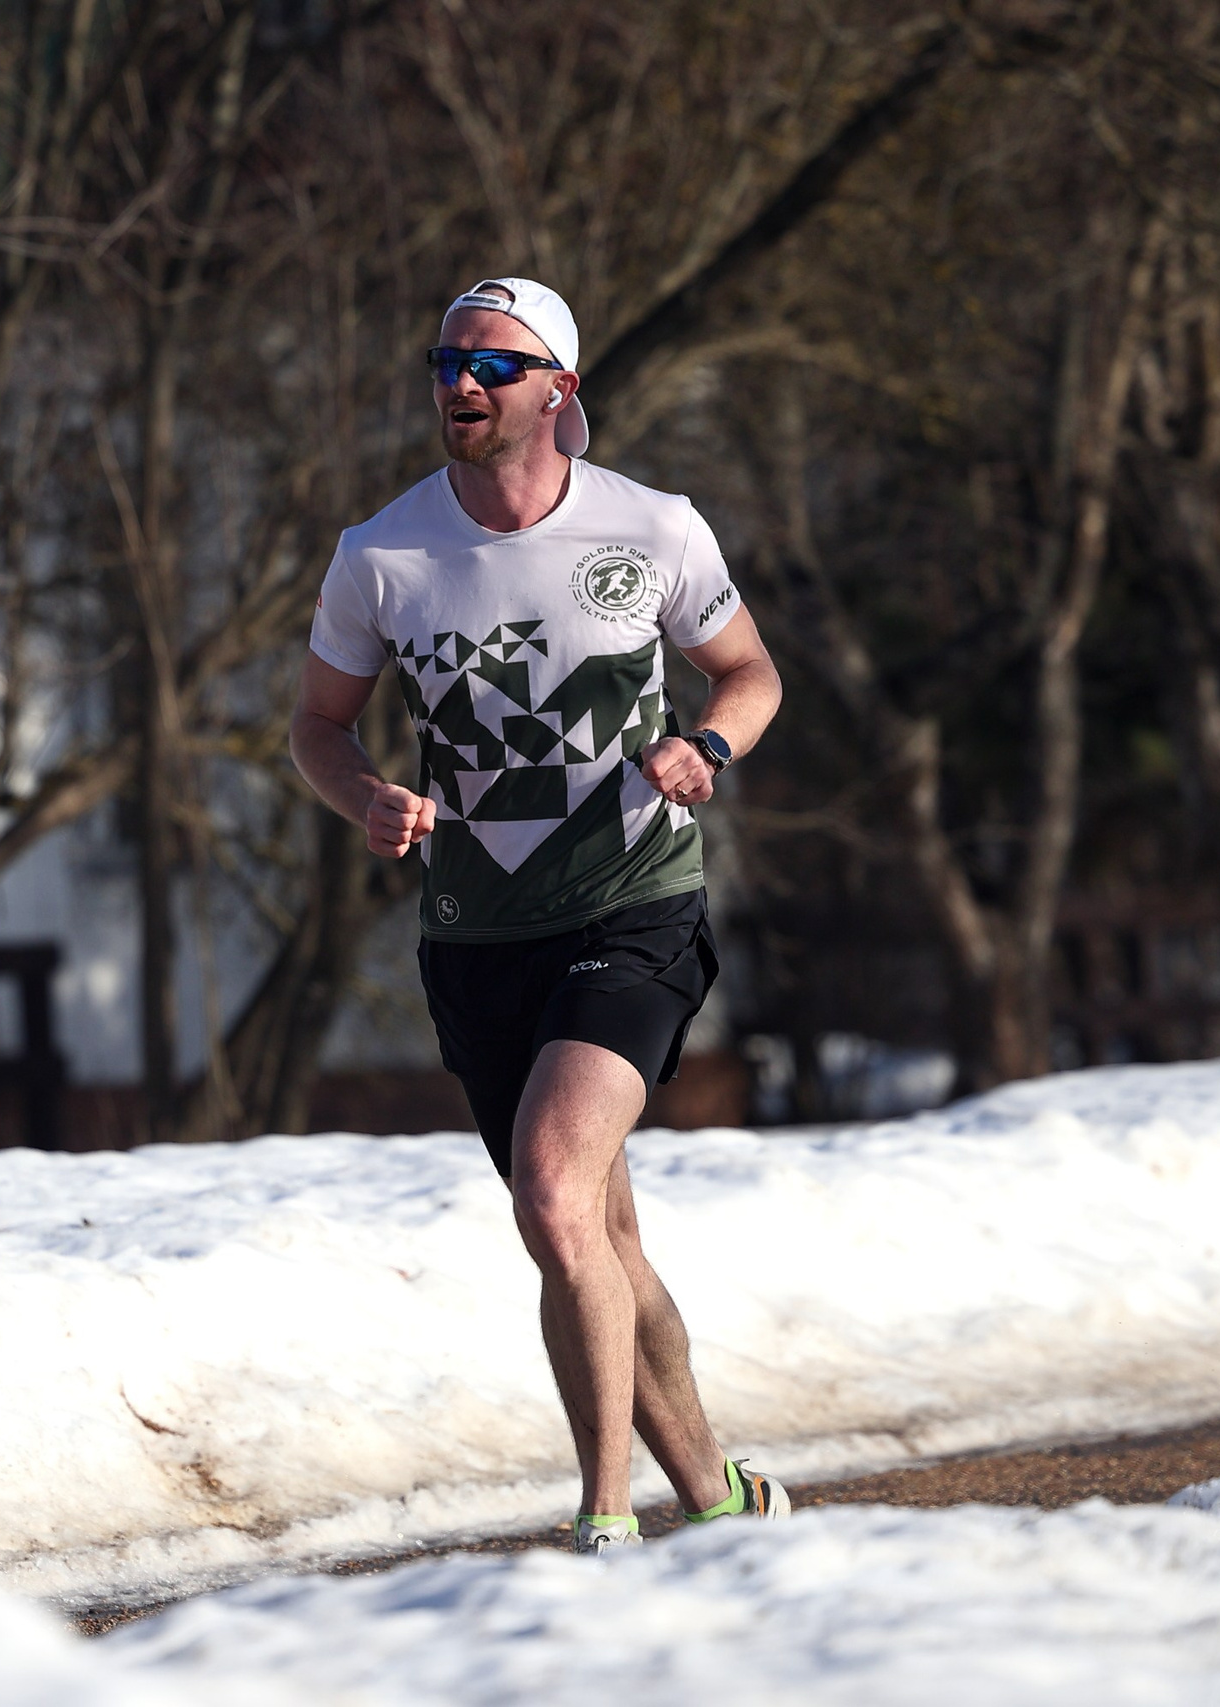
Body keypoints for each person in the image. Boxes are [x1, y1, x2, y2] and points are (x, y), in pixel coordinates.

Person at [289, 277, 790, 1555]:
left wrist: (706, 748)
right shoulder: (381, 554)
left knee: (556, 1200)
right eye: (444, 360)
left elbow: (748, 673)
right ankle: (721, 1500)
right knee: (601, 1238)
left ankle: (603, 1520)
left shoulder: (653, 528)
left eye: (492, 365)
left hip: (632, 906)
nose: (460, 382)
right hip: (475, 936)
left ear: (558, 388)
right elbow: (317, 726)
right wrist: (365, 798)